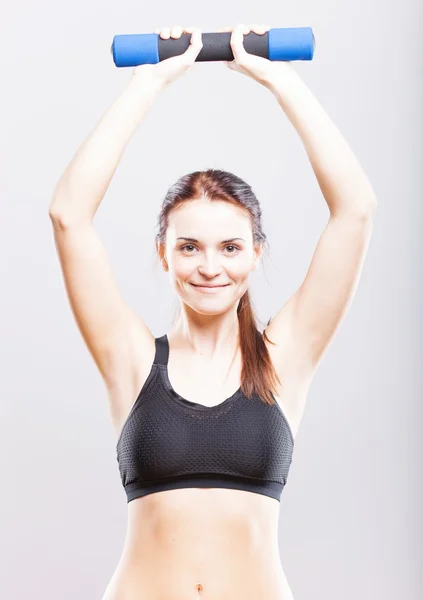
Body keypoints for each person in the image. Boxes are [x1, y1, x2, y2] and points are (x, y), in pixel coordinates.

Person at [48, 23, 377, 600]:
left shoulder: (285, 359)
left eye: (230, 247)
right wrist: (152, 81)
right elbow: (68, 214)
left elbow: (355, 209)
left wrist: (279, 81)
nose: (210, 267)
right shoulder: (130, 361)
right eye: (189, 246)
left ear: (256, 254)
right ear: (164, 255)